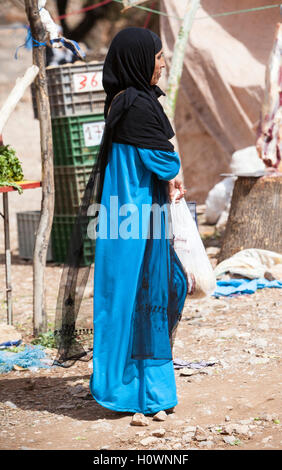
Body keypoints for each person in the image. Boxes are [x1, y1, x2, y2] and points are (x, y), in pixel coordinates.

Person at [87, 27, 190, 416]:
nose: (162, 64)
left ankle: (124, 387)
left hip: (119, 217)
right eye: (158, 57)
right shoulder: (139, 106)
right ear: (138, 61)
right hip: (137, 219)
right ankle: (146, 393)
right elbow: (163, 161)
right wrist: (175, 168)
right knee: (151, 294)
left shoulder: (119, 100)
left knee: (122, 299)